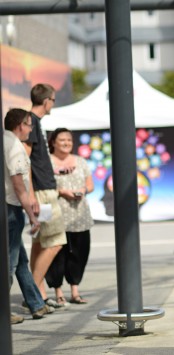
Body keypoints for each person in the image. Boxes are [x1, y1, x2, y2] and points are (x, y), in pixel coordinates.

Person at [3, 108, 54, 323]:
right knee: (10, 262)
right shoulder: (14, 145)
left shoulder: (5, 140)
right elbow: (18, 186)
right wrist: (32, 216)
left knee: (20, 260)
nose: (31, 129)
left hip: (9, 206)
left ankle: (36, 304)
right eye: (29, 125)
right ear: (20, 125)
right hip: (11, 207)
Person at [25, 83, 67, 308]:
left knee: (40, 243)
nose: (53, 103)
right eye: (53, 99)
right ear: (46, 101)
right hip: (42, 192)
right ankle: (32, 292)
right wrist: (32, 195)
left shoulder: (34, 122)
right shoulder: (31, 122)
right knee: (55, 242)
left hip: (42, 190)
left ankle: (37, 293)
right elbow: (26, 161)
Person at [44, 128, 94, 305]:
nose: (66, 143)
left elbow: (90, 185)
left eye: (69, 140)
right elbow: (42, 186)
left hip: (80, 215)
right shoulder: (47, 162)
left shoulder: (80, 161)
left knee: (80, 253)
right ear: (53, 142)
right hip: (57, 215)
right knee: (57, 254)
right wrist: (62, 192)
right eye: (62, 140)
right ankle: (58, 292)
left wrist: (83, 190)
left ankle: (75, 290)